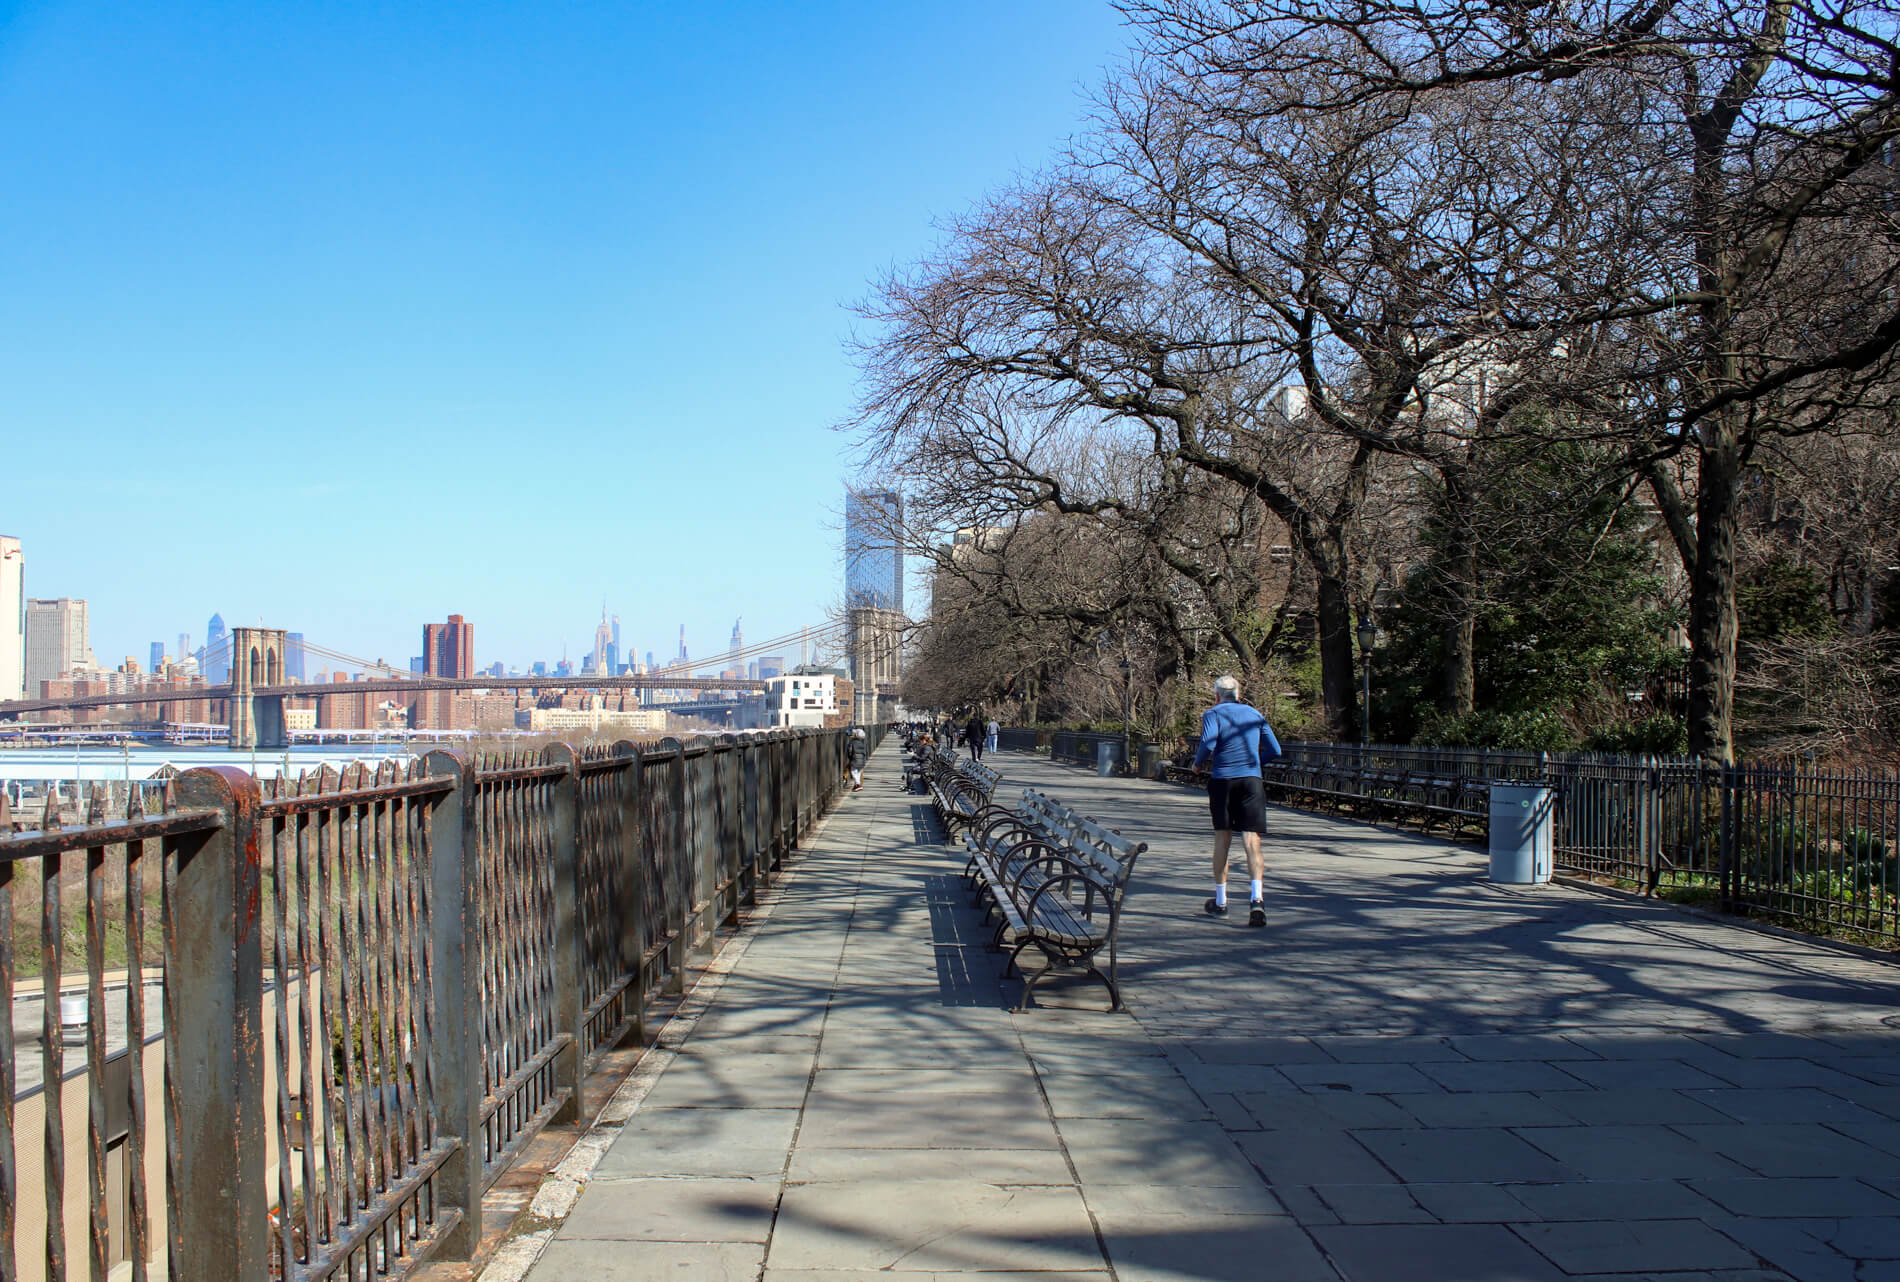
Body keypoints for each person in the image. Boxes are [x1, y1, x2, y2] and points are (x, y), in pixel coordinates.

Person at [1191, 675, 1282, 927]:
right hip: (1251, 781)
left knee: (1223, 838)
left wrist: (1198, 764)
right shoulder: (1255, 714)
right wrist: (1254, 765)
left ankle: (1221, 902)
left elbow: (1208, 742)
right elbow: (1275, 749)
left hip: (1224, 781)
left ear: (1217, 696)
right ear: (1239, 695)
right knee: (1251, 839)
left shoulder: (1213, 713)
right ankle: (1257, 899)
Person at [847, 726, 868, 792]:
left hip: (854, 759)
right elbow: (865, 752)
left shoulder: (852, 743)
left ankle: (858, 784)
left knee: (853, 772)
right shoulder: (862, 743)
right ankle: (857, 785)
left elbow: (850, 751)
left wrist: (850, 757)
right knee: (858, 772)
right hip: (861, 760)